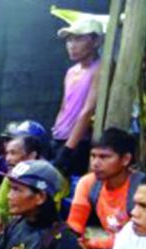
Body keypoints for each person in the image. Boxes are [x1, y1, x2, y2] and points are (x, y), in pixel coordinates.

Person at [67, 127, 144, 249]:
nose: (95, 163)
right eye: (93, 156)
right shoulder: (88, 183)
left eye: (104, 157)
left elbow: (139, 238)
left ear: (125, 159)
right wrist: (76, 244)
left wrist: (91, 244)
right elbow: (74, 225)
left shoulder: (141, 188)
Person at [0, 133, 54, 249]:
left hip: (38, 226)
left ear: (32, 155)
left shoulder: (49, 176)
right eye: (7, 153)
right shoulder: (14, 173)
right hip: (14, 222)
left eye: (13, 153)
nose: (7, 158)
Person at [51, 18, 103, 177]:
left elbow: (88, 110)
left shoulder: (101, 68)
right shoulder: (71, 71)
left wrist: (68, 148)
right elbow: (64, 105)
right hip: (59, 136)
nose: (72, 45)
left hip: (78, 141)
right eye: (69, 40)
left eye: (79, 39)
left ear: (96, 41)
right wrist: (55, 131)